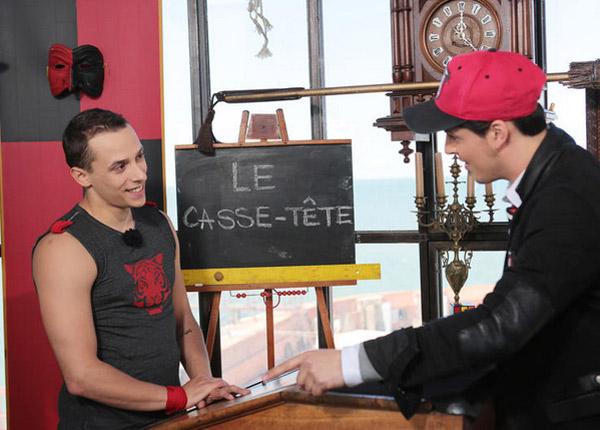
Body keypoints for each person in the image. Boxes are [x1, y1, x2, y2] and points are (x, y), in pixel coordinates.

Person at [263, 50, 600, 429]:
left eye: (454, 136)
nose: (450, 151)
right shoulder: (557, 178)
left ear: (498, 133)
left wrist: (352, 363)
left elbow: (499, 326)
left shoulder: (567, 197)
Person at [32, 108, 249, 429]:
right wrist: (180, 397)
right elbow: (81, 376)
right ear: (82, 176)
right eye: (120, 166)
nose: (139, 174)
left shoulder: (159, 222)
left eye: (139, 157)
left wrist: (204, 384)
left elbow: (182, 320)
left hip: (170, 418)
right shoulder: (62, 248)